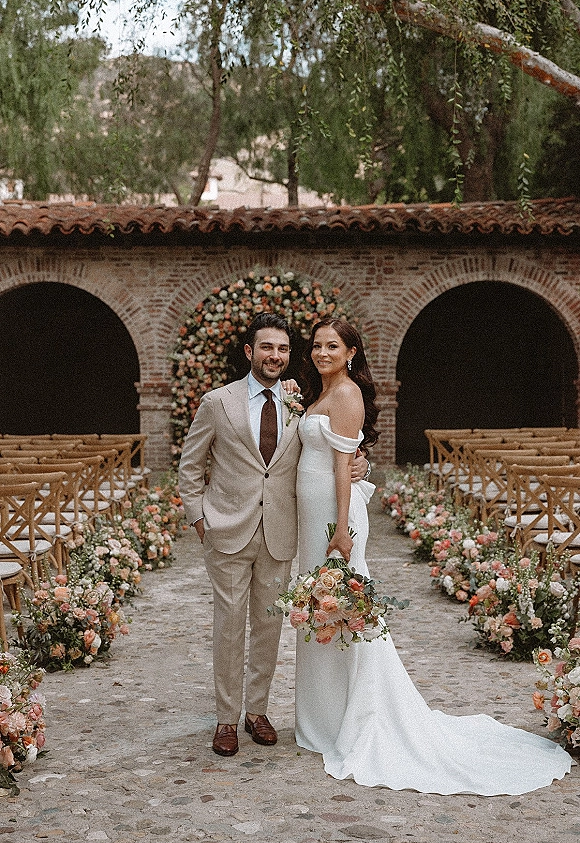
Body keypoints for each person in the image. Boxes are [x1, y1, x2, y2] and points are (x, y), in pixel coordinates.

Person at [293, 317, 572, 795]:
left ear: (351, 352)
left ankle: (356, 715)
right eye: (317, 345)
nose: (323, 353)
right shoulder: (316, 394)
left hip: (332, 514)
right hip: (311, 509)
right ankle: (323, 717)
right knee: (320, 611)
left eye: (332, 346)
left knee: (342, 609)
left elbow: (343, 463)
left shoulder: (345, 395)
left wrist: (341, 528)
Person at [178, 312, 368, 757]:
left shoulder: (297, 401)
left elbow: (336, 450)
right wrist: (198, 517)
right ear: (250, 352)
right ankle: (226, 718)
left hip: (282, 531)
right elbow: (190, 465)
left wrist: (364, 466)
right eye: (267, 347)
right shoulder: (217, 402)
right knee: (228, 626)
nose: (275, 356)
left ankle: (257, 712)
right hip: (226, 529)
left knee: (269, 625)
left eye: (283, 349)